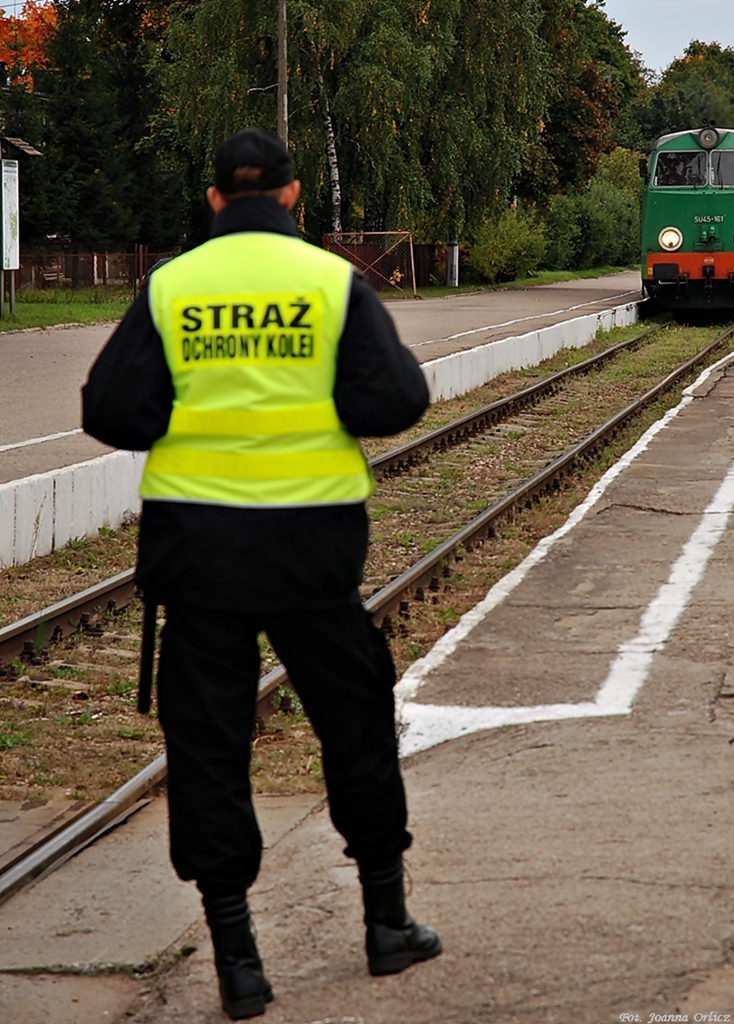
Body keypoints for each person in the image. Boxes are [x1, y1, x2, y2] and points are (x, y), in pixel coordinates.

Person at [82, 127, 441, 1021]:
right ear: (290, 198)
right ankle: (386, 924)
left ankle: (239, 964)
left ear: (213, 201)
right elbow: (397, 398)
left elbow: (112, 409)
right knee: (353, 722)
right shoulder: (328, 282)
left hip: (197, 555)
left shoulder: (172, 286)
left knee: (207, 748)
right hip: (312, 555)